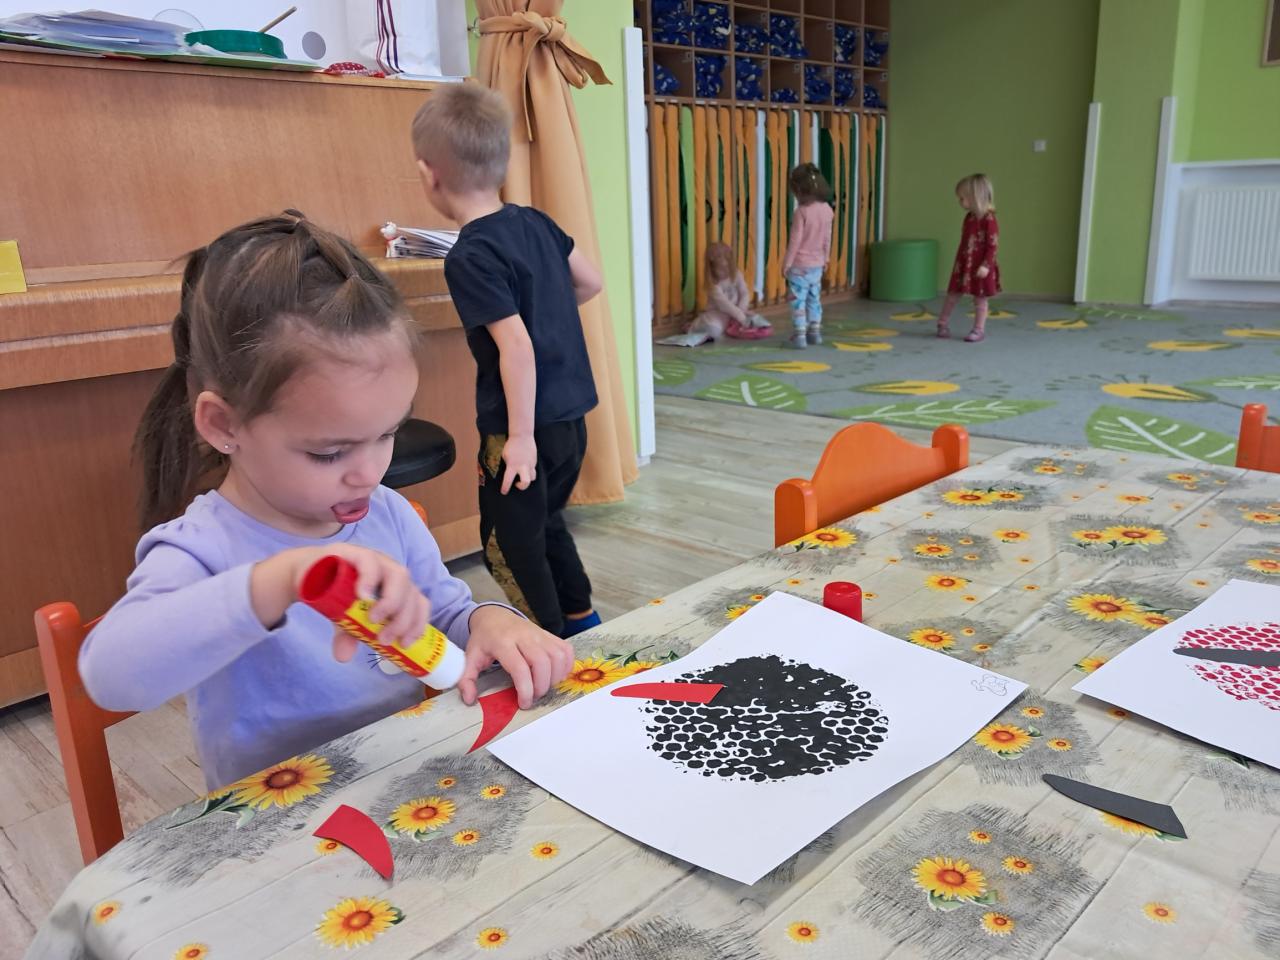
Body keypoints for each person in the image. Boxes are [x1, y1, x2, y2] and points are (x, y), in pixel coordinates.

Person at [78, 211, 573, 792]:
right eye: (328, 453)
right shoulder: (202, 547)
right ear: (224, 425)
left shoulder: (388, 514)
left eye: (387, 434)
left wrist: (489, 620)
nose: (369, 473)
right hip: (278, 813)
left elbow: (444, 613)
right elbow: (111, 677)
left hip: (397, 781)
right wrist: (284, 580)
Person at [412, 84, 604, 640]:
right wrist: (548, 318)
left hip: (522, 433)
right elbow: (590, 282)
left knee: (508, 549)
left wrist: (519, 438)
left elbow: (515, 347)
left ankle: (550, 647)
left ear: (429, 174)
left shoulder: (470, 254)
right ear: (501, 164)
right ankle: (582, 623)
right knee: (546, 523)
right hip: (570, 421)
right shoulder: (537, 223)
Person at [937, 173, 1001, 343]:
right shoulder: (969, 217)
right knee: (953, 294)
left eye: (962, 198)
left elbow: (992, 245)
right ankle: (942, 323)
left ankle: (978, 329)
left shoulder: (989, 219)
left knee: (980, 298)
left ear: (975, 197)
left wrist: (986, 265)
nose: (960, 202)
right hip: (964, 263)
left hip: (981, 266)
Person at [782, 163, 834, 349]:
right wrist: (826, 258)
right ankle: (815, 333)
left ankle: (800, 336)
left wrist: (787, 263)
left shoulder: (801, 212)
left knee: (798, 301)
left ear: (799, 190)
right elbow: (827, 238)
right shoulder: (827, 209)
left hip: (799, 265)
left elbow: (795, 241)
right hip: (817, 265)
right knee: (814, 298)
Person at [688, 242, 771, 341]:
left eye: (726, 256)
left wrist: (742, 309)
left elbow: (744, 293)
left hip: (738, 310)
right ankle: (695, 325)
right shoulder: (713, 284)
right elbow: (724, 305)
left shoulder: (736, 274)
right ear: (712, 261)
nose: (724, 260)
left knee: (760, 323)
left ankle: (731, 326)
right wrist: (741, 318)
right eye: (719, 257)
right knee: (713, 331)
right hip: (718, 314)